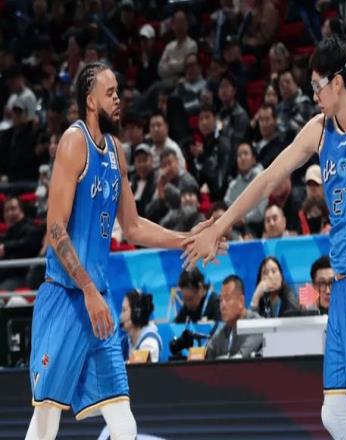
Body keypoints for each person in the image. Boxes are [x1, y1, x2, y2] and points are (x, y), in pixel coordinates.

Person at [182, 37, 346, 439]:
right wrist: (219, 226)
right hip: (341, 280)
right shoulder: (318, 130)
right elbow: (268, 178)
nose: (313, 95)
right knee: (334, 415)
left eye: (316, 86)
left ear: (337, 82)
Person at [26, 62, 222, 440]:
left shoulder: (116, 151)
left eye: (118, 92)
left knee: (123, 421)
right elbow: (55, 229)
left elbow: (132, 227)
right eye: (111, 93)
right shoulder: (73, 142)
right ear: (90, 100)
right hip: (67, 297)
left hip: (98, 302)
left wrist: (186, 238)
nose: (119, 99)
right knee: (46, 420)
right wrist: (87, 289)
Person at [205, 275, 263, 360]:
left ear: (241, 301)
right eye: (221, 300)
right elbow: (205, 354)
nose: (222, 306)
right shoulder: (223, 331)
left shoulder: (257, 324)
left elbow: (241, 357)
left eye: (227, 299)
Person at [120, 290, 163, 363]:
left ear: (137, 313)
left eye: (124, 310)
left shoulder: (149, 343)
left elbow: (136, 366)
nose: (120, 316)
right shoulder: (126, 341)